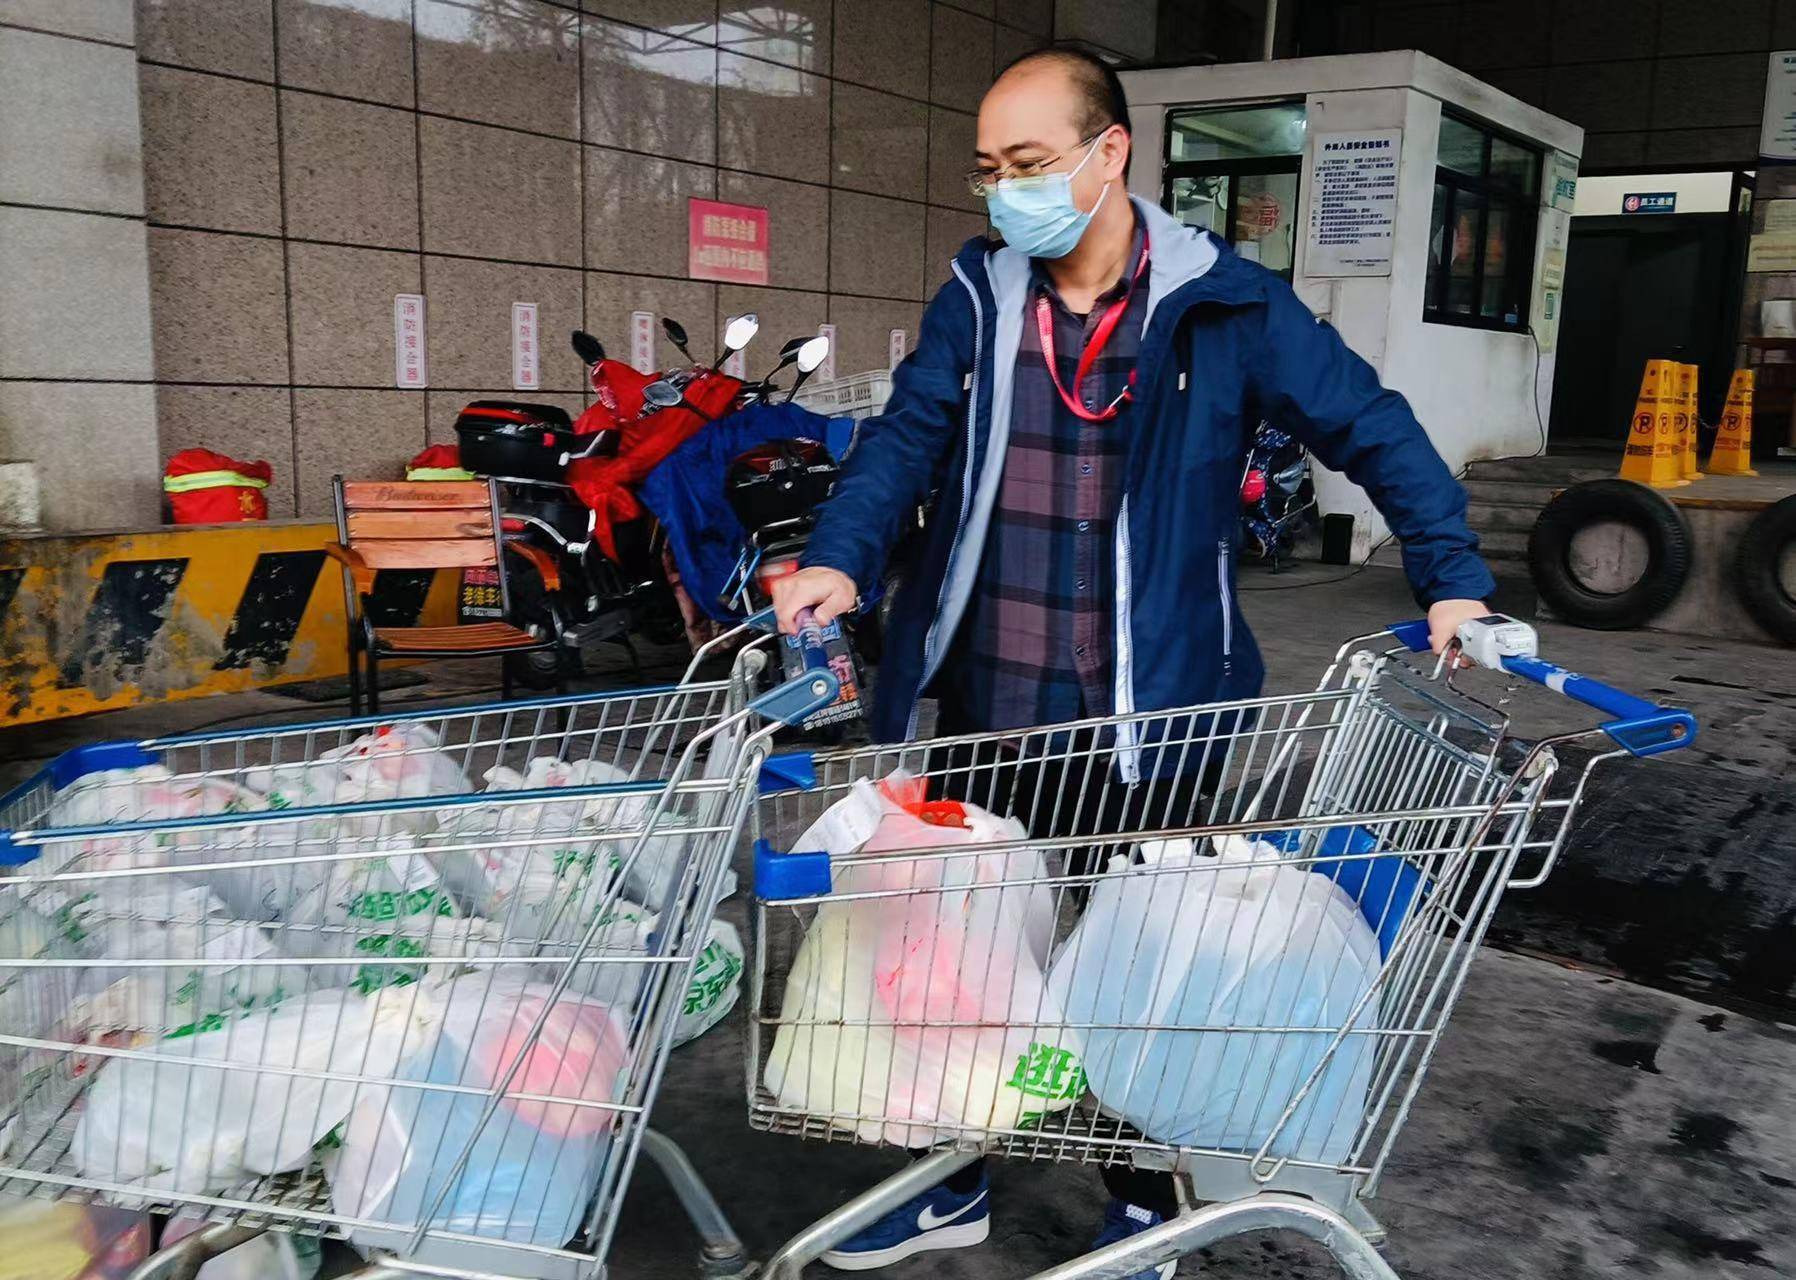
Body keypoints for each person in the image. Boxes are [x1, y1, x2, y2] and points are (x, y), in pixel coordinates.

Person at [770, 44, 1495, 1278]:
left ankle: (1142, 1198)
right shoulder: (978, 295)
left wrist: (1453, 574)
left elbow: (1366, 421)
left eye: (1033, 164)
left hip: (1150, 708)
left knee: (1129, 966)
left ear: (1109, 155)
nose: (1007, 192)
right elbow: (904, 438)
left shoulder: (1225, 303)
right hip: (989, 698)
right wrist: (840, 553)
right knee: (958, 959)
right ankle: (950, 1174)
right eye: (991, 170)